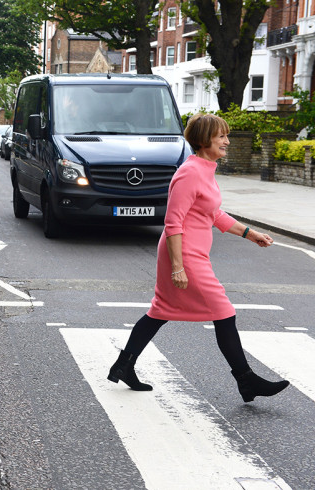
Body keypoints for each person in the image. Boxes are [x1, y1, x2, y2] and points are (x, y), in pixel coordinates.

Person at [107, 113, 290, 403]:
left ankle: (124, 364)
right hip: (184, 254)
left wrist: (249, 233)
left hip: (192, 252)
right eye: (221, 137)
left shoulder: (205, 168)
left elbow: (213, 213)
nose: (227, 141)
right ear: (205, 140)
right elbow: (173, 222)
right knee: (223, 310)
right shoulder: (189, 173)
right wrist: (178, 267)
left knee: (160, 311)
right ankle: (246, 380)